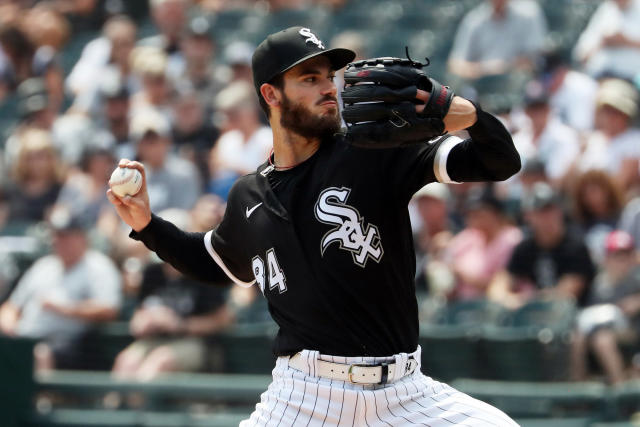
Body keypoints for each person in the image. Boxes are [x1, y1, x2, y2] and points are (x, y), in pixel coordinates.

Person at [108, 26, 521, 425]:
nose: (328, 87)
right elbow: (214, 263)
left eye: (329, 76)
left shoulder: (373, 150)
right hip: (304, 397)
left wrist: (458, 109)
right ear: (271, 94)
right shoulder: (248, 195)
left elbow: (500, 160)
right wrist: (147, 225)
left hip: (405, 392)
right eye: (309, 78)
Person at [112, 208, 232, 381]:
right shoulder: (152, 272)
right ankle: (118, 407)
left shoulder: (203, 270)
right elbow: (139, 313)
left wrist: (179, 324)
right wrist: (141, 322)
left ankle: (140, 408)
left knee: (158, 363)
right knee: (126, 362)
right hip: (155, 339)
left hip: (193, 342)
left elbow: (223, 319)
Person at [0, 208, 122, 371]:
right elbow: (11, 306)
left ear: (82, 237)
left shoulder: (98, 266)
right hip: (23, 338)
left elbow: (108, 309)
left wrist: (65, 309)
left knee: (39, 353)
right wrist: (8, 323)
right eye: (57, 235)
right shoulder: (44, 265)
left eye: (66, 236)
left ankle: (42, 397)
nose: (59, 240)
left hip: (72, 345)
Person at [489, 182, 596, 310]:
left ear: (560, 211)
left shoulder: (576, 247)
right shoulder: (525, 248)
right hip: (533, 316)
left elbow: (565, 294)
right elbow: (499, 284)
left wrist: (523, 301)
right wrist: (506, 298)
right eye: (540, 212)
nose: (547, 217)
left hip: (572, 316)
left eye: (551, 210)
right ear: (528, 216)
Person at [571, 230, 640, 384]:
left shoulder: (636, 278)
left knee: (603, 340)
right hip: (604, 328)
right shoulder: (600, 284)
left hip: (632, 331)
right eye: (617, 256)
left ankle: (619, 386)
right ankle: (579, 386)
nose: (622, 261)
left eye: (626, 256)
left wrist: (636, 302)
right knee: (577, 337)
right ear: (607, 259)